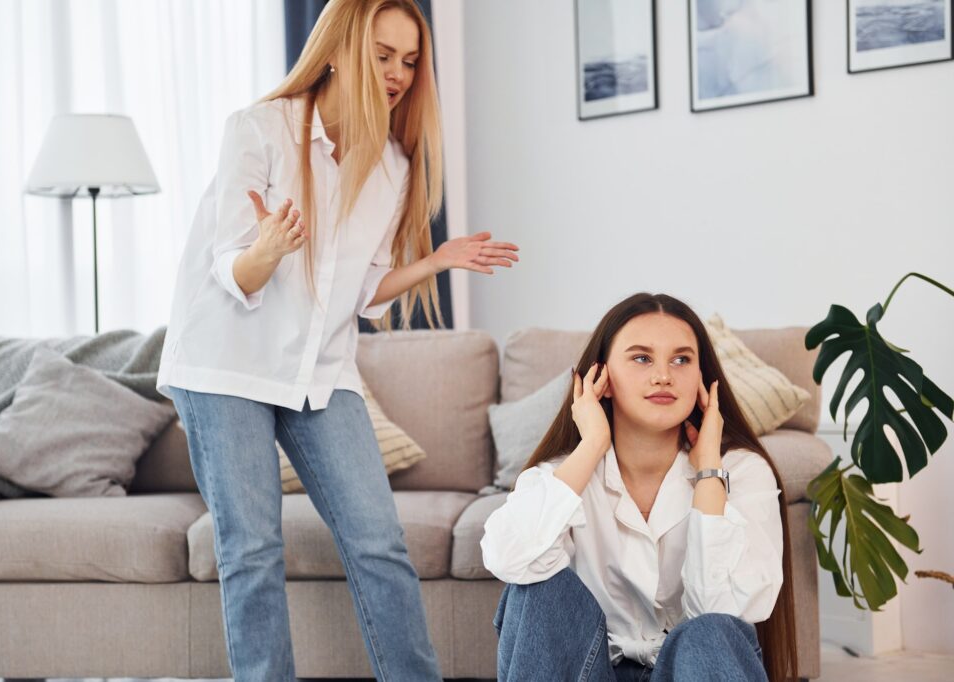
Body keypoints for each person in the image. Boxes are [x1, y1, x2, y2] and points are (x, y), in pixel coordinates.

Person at [155, 1, 519, 679]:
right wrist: (268, 249)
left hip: (320, 373)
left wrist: (436, 261)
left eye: (410, 61)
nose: (399, 74)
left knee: (379, 543)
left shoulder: (392, 165)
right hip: (224, 366)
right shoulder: (257, 130)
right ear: (339, 50)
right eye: (383, 55)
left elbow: (362, 290)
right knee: (252, 549)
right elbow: (232, 269)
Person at [480, 293, 797, 682]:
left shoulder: (743, 471)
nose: (663, 375)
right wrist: (592, 444)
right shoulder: (564, 473)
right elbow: (507, 560)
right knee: (536, 585)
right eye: (642, 358)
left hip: (689, 670)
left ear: (702, 378)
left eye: (681, 360)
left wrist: (709, 475)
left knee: (710, 632)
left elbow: (722, 612)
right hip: (590, 670)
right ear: (603, 379)